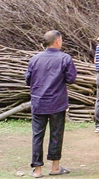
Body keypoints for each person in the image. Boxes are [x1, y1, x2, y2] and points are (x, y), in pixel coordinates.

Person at [25, 30, 77, 178]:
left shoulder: (35, 59)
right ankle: (55, 167)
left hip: (38, 102)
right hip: (57, 102)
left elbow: (28, 80)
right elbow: (71, 78)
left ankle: (37, 169)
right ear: (58, 41)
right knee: (56, 134)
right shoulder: (65, 58)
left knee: (37, 135)